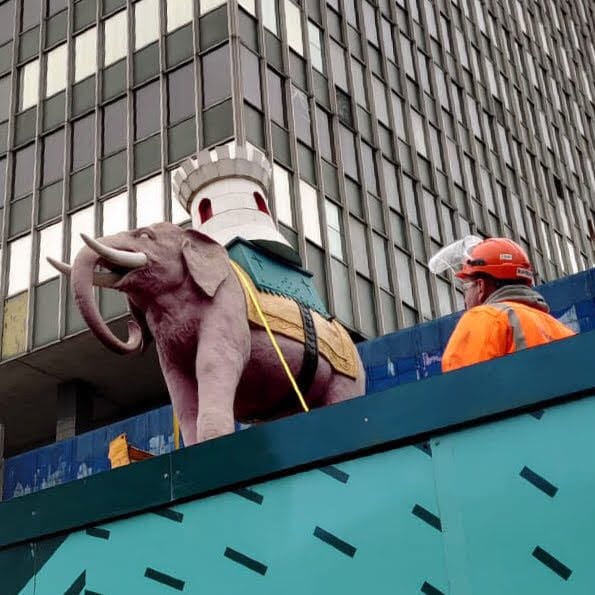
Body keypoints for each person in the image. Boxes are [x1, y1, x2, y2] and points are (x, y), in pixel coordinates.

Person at [429, 236, 576, 372]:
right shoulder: (564, 332)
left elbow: (463, 388)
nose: (465, 298)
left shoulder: (484, 318)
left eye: (465, 287)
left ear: (480, 286)